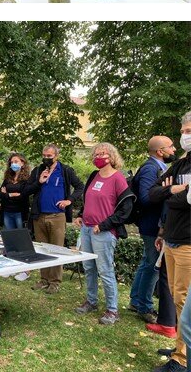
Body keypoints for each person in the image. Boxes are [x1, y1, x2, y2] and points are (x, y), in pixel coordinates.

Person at [74, 143, 133, 326]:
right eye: (96, 153)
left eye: (103, 153)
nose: (98, 156)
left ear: (112, 156)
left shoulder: (118, 179)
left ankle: (112, 310)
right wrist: (80, 215)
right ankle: (91, 301)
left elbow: (126, 209)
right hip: (87, 229)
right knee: (89, 267)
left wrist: (105, 224)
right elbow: (89, 200)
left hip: (104, 232)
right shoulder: (94, 175)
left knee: (105, 270)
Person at [150, 113, 191, 372]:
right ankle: (180, 348)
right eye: (184, 130)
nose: (185, 135)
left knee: (186, 302)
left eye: (189, 129)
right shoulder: (180, 164)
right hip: (172, 239)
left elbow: (185, 200)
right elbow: (154, 193)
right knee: (178, 297)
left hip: (188, 241)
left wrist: (172, 193)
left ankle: (183, 358)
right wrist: (173, 191)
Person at [131, 136, 176, 325]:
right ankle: (145, 307)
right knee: (154, 266)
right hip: (152, 225)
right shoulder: (151, 168)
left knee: (147, 262)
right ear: (160, 151)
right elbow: (145, 197)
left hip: (154, 224)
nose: (174, 149)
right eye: (171, 146)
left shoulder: (160, 167)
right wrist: (169, 191)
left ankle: (135, 300)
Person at [27, 143, 84, 294]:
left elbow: (80, 187)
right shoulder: (38, 170)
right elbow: (27, 189)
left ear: (56, 156)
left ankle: (55, 282)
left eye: (49, 156)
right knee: (43, 249)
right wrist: (39, 182)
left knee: (57, 249)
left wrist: (69, 200)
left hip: (57, 216)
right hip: (39, 216)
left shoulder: (65, 171)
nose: (46, 158)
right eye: (44, 156)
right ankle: (44, 279)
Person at [0, 153, 34, 231]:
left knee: (21, 237)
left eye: (16, 162)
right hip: (7, 212)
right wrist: (11, 194)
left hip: (20, 213)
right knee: (9, 237)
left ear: (22, 163)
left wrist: (6, 194)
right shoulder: (8, 179)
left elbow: (22, 196)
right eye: (11, 162)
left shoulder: (27, 180)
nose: (13, 164)